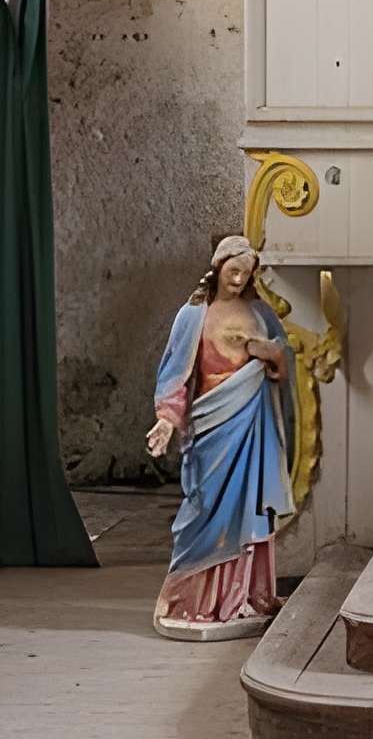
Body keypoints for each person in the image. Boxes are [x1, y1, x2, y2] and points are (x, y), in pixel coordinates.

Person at [145, 236, 300, 639]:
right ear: (218, 268)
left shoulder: (260, 312)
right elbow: (175, 374)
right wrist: (165, 420)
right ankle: (193, 599)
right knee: (205, 509)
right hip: (210, 424)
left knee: (247, 507)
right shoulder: (193, 315)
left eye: (245, 274)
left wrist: (267, 352)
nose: (238, 279)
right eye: (233, 271)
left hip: (251, 420)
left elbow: (283, 360)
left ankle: (243, 595)